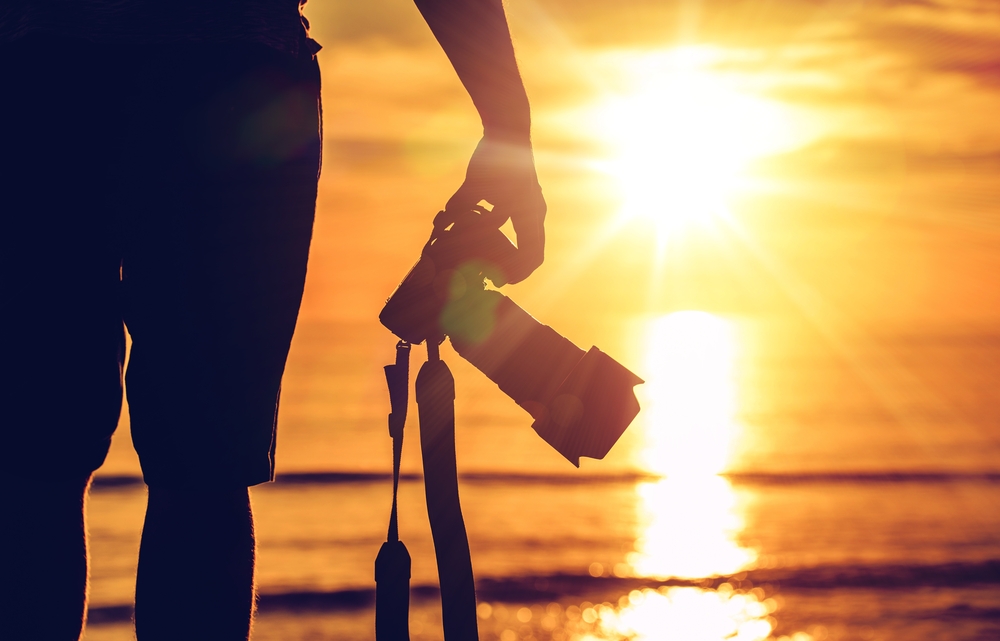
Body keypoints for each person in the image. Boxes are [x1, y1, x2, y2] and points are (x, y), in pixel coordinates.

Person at [0, 1, 545, 639]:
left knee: (37, 467)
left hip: (47, 69)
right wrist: (507, 121)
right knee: (196, 471)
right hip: (224, 71)